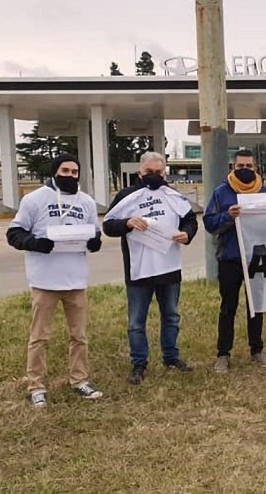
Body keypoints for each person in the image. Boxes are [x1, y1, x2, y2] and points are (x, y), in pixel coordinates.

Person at [6, 153, 103, 407]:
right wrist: (34, 243)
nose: (70, 176)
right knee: (40, 336)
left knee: (79, 336)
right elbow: (14, 233)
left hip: (76, 281)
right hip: (44, 281)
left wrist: (95, 243)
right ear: (55, 172)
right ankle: (36, 385)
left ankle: (80, 380)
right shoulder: (34, 200)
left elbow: (95, 234)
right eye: (65, 171)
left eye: (74, 172)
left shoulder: (87, 202)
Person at [102, 152, 198, 385]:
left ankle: (171, 357)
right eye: (149, 173)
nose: (154, 176)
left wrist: (188, 234)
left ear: (165, 173)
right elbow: (108, 225)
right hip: (139, 270)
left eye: (159, 173)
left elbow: (190, 219)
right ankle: (139, 363)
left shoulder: (173, 195)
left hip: (169, 267)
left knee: (172, 316)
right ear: (139, 173)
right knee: (136, 321)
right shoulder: (127, 196)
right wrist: (126, 223)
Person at [203, 150, 266, 373]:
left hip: (257, 257)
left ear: (256, 169)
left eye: (249, 166)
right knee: (228, 307)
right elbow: (209, 223)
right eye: (240, 166)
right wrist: (228, 216)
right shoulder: (221, 193)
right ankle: (223, 354)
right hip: (230, 258)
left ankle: (257, 349)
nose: (245, 170)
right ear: (232, 168)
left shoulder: (265, 193)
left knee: (256, 307)